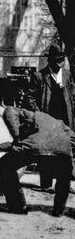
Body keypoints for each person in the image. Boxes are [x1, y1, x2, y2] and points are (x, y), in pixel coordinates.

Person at [0, 106, 73, 216]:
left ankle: (18, 207)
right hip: (62, 149)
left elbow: (10, 112)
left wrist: (16, 138)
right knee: (64, 175)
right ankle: (58, 211)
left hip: (38, 146)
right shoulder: (55, 121)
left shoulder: (24, 113)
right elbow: (71, 137)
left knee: (4, 164)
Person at [29, 44, 74, 190]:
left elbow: (72, 96)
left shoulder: (66, 75)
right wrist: (38, 115)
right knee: (46, 151)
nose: (58, 63)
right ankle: (46, 184)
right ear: (49, 61)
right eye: (56, 60)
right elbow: (31, 98)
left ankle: (64, 184)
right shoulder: (39, 76)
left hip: (64, 119)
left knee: (65, 152)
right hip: (47, 118)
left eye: (61, 60)